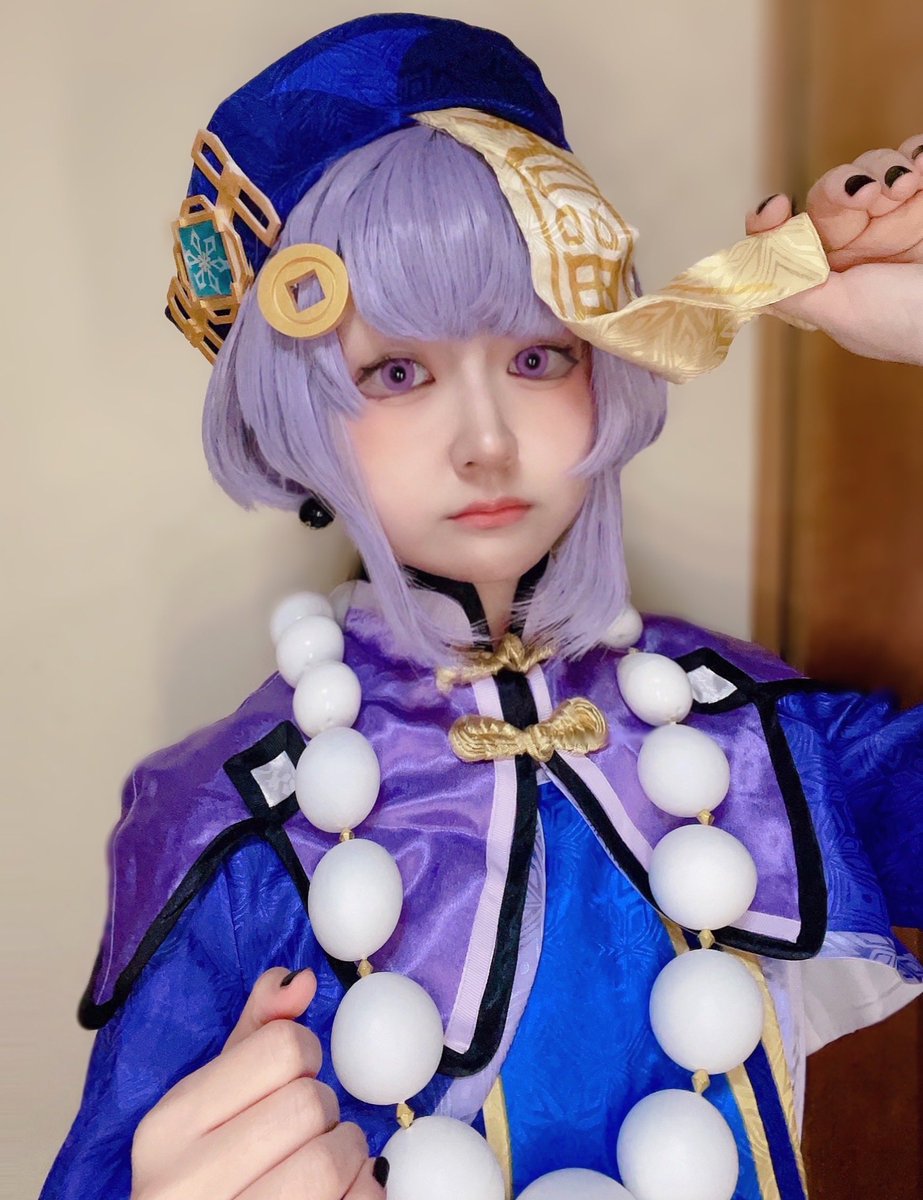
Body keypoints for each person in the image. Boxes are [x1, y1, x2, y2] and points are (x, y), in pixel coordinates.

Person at [41, 13, 923, 1200]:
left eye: (538, 356)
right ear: (296, 414)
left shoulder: (744, 734)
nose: (487, 442)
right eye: (397, 372)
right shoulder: (233, 822)